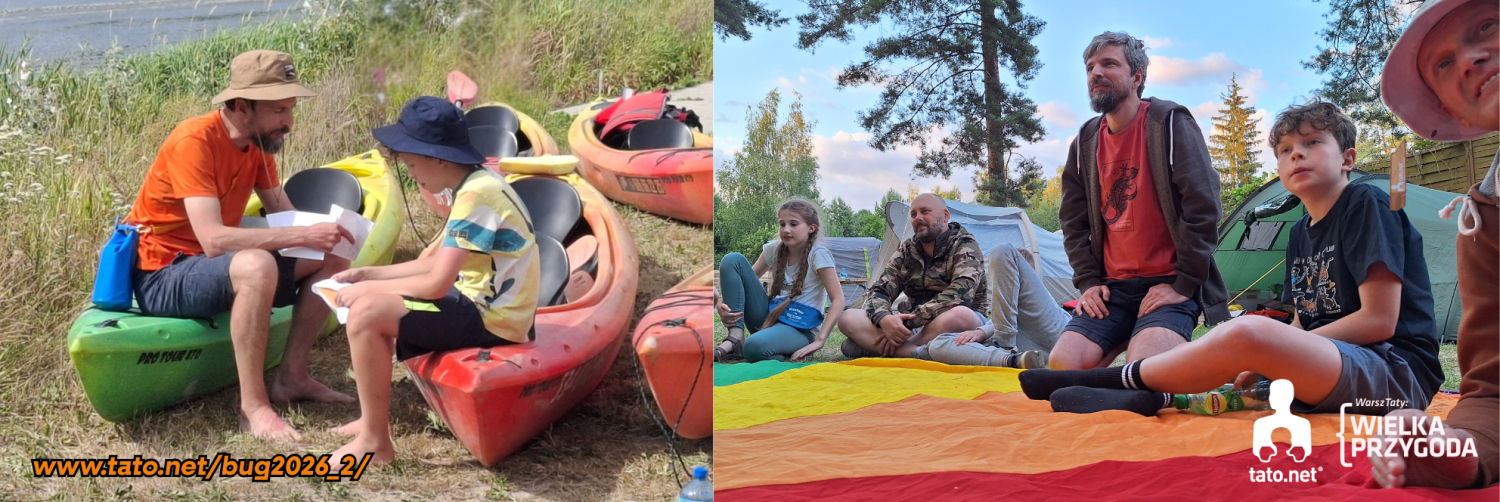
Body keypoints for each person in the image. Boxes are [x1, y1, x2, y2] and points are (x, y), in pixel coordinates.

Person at [1017, 100, 1445, 422]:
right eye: (1285, 150)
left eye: (1312, 143)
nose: (1296, 154)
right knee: (1238, 371)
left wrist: (1271, 350)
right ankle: (1153, 397)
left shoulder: (1365, 204)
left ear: (1348, 159)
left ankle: (1104, 379)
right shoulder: (1300, 232)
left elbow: (1379, 321)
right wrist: (1273, 359)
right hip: (1334, 368)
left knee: (1249, 331)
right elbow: (1303, 323)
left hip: (1395, 375)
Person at [124, 50, 352, 441]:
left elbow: (282, 211)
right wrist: (303, 236)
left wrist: (326, 233)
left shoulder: (260, 144)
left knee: (333, 253)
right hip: (163, 273)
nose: (289, 122)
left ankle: (292, 377)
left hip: (212, 266)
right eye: (279, 110)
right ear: (243, 106)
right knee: (256, 265)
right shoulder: (194, 140)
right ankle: (254, 408)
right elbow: (214, 240)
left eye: (291, 109)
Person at [327, 96, 540, 467]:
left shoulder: (477, 195)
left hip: (494, 319)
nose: (411, 174)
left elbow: (436, 284)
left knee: (366, 314)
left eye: (412, 163)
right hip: (478, 303)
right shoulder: (477, 182)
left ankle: (375, 442)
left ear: (439, 158)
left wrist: (368, 289)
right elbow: (429, 262)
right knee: (370, 305)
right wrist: (368, 274)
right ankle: (371, 421)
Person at [1370, 0, 1498, 489]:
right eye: (1444, 64)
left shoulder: (1371, 211)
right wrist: (1459, 445)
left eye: (1487, 25)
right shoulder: (1486, 221)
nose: (1468, 59)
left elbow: (1379, 321)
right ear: (1451, 110)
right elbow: (1493, 390)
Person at [1055, 31, 1230, 371]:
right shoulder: (1085, 141)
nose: (1096, 73)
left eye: (1109, 64)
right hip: (1112, 290)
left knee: (1145, 368)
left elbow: (1204, 206)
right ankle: (1125, 338)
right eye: (1090, 67)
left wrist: (1184, 284)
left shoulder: (1169, 122)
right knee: (1063, 363)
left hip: (1168, 281)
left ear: (1136, 77)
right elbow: (1072, 223)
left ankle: (1162, 344)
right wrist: (1088, 283)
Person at [836, 194, 988, 358]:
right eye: (914, 214)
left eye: (925, 211)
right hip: (914, 326)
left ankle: (895, 349)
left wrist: (908, 324)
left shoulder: (965, 245)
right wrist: (884, 318)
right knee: (847, 317)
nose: (918, 218)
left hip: (954, 324)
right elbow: (880, 290)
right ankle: (917, 352)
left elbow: (959, 296)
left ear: (945, 216)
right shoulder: (907, 250)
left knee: (961, 315)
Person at [715, 198, 844, 362]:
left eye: (793, 224)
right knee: (732, 260)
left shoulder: (819, 255)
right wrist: (722, 303)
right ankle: (736, 338)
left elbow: (838, 299)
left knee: (753, 347)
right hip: (769, 318)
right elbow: (743, 282)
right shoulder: (773, 249)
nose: (786, 229)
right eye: (782, 224)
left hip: (800, 329)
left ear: (811, 228)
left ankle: (770, 347)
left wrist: (820, 340)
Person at [917, 244, 1062, 369]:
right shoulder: (999, 319)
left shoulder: (1045, 307)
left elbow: (1004, 254)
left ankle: (1006, 349)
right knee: (938, 344)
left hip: (1050, 337)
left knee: (1002, 251)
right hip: (1021, 351)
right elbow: (1001, 318)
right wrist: (982, 333)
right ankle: (1011, 361)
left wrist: (987, 333)